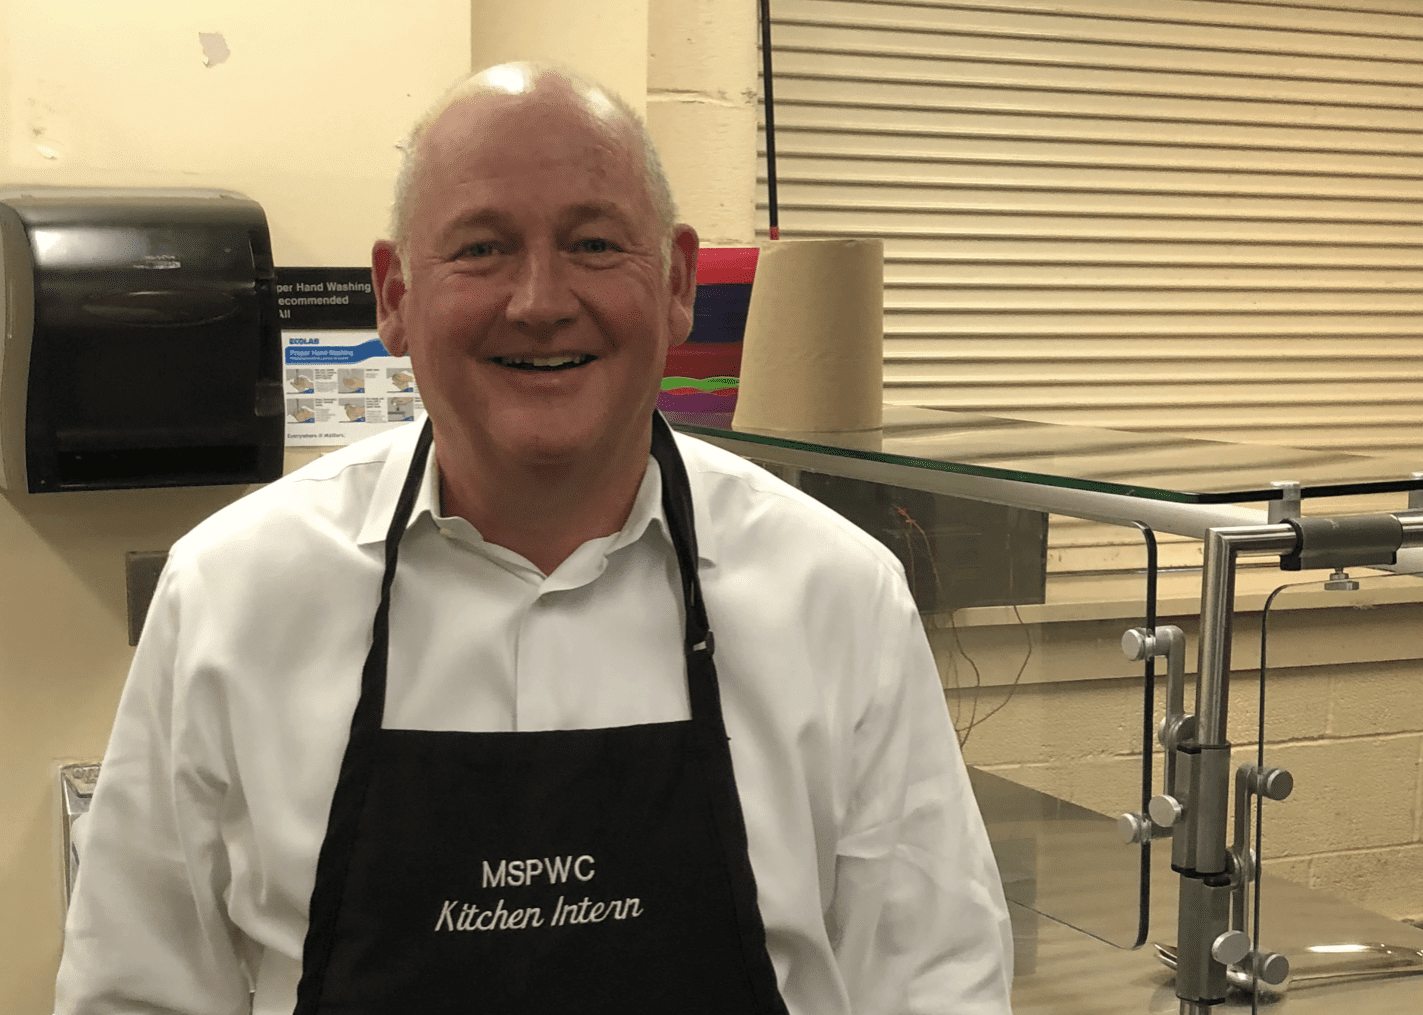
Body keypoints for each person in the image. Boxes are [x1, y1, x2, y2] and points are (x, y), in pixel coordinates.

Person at [54, 63, 1013, 1014]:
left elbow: (933, 983)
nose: (541, 300)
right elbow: (134, 990)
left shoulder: (838, 596)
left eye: (595, 243)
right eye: (481, 248)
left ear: (677, 282)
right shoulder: (231, 593)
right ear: (393, 294)